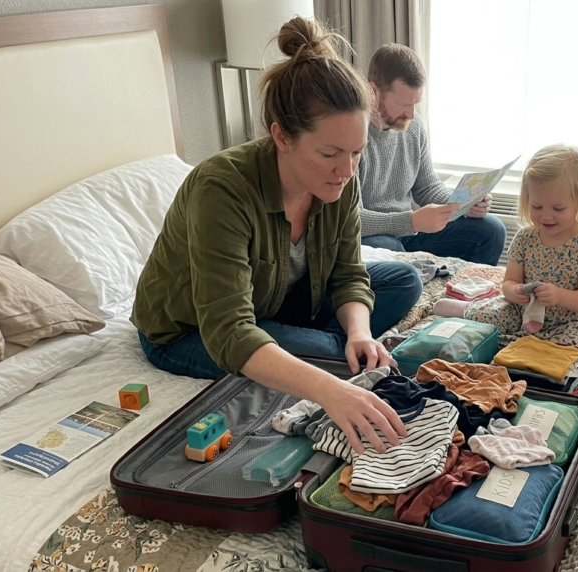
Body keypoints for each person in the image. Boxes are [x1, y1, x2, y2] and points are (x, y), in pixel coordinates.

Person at [132, 18, 423, 454]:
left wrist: (360, 332)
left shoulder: (340, 178)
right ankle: (314, 349)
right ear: (281, 136)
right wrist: (331, 388)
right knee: (327, 358)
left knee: (404, 281)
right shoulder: (221, 189)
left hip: (275, 300)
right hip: (191, 330)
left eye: (357, 151)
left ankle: (317, 344)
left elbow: (348, 274)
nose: (346, 170)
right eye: (329, 153)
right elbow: (230, 330)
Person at [433, 145, 578, 350]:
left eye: (558, 208)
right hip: (524, 312)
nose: (546, 216)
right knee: (496, 313)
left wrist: (559, 296)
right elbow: (509, 281)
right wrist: (514, 291)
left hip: (572, 320)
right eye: (537, 206)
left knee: (577, 343)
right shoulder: (525, 237)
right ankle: (466, 309)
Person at [357, 43, 506, 266]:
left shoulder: (413, 125)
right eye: (402, 104)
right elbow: (352, 219)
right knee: (390, 248)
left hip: (409, 230)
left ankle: (465, 288)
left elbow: (427, 188)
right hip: (374, 235)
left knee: (492, 230)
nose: (411, 114)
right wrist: (410, 221)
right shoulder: (351, 135)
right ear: (373, 91)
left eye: (415, 104)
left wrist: (464, 204)